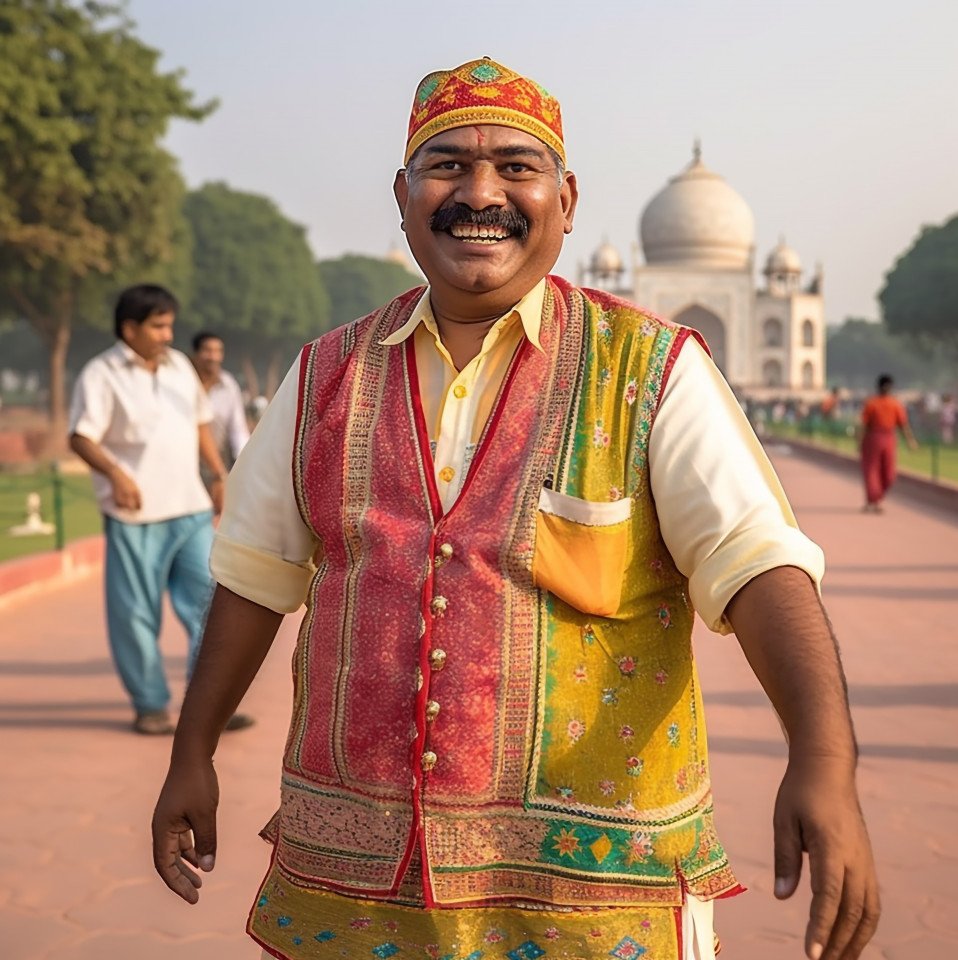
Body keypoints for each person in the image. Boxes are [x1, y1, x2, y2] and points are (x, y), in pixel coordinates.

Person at [152, 59, 879, 960]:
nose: (480, 193)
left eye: (516, 169)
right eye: (448, 165)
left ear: (566, 201)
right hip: (358, 884)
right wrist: (194, 751)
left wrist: (824, 760)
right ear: (404, 193)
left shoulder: (649, 372)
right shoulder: (325, 376)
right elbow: (254, 581)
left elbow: (759, 564)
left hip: (590, 899)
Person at [68, 284, 252, 734]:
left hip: (188, 508)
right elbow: (80, 436)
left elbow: (200, 423)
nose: (169, 334)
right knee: (135, 615)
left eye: (170, 324)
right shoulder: (101, 373)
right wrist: (116, 475)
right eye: (158, 325)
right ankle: (150, 703)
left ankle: (207, 704)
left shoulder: (179, 369)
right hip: (135, 515)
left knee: (211, 603)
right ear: (129, 328)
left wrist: (217, 473)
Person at [190, 331, 250, 493]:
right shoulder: (184, 382)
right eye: (208, 351)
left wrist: (244, 463)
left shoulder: (228, 385)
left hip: (217, 464)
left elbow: (237, 429)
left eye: (218, 351)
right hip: (186, 463)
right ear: (196, 353)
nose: (213, 357)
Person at [859, 373, 917, 513]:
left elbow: (903, 424)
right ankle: (874, 500)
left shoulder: (895, 404)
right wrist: (860, 440)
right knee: (872, 470)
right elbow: (864, 424)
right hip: (873, 436)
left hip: (889, 437)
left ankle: (875, 498)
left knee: (889, 474)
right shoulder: (872, 403)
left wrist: (910, 441)